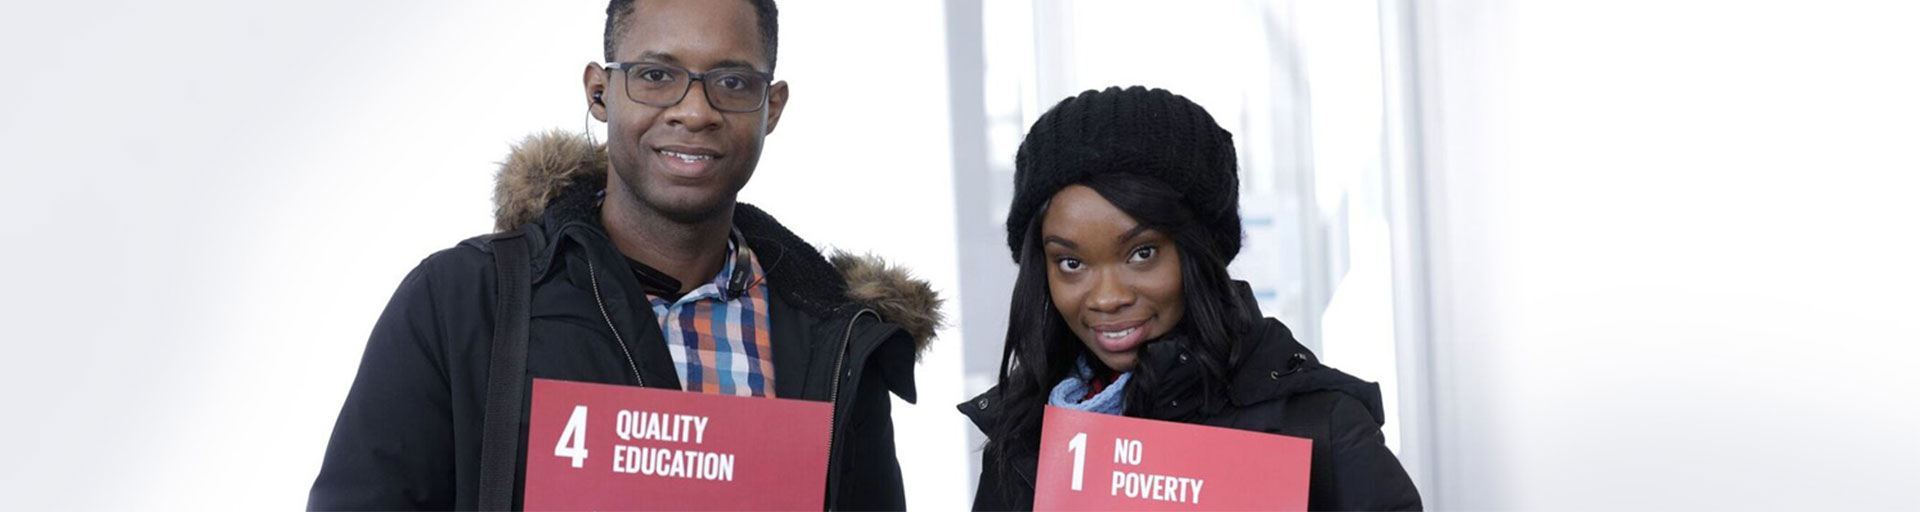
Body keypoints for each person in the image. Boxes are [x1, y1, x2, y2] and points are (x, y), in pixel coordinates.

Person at [309, 0, 942, 509]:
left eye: (731, 81)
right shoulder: (463, 301)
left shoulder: (837, 335)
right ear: (599, 92)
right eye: (657, 75)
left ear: (770, 107)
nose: (695, 112)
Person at [960, 86, 1421, 511]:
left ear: (1200, 252)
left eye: (1142, 253)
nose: (1107, 298)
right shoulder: (1025, 439)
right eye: (1071, 263)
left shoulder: (1322, 427)